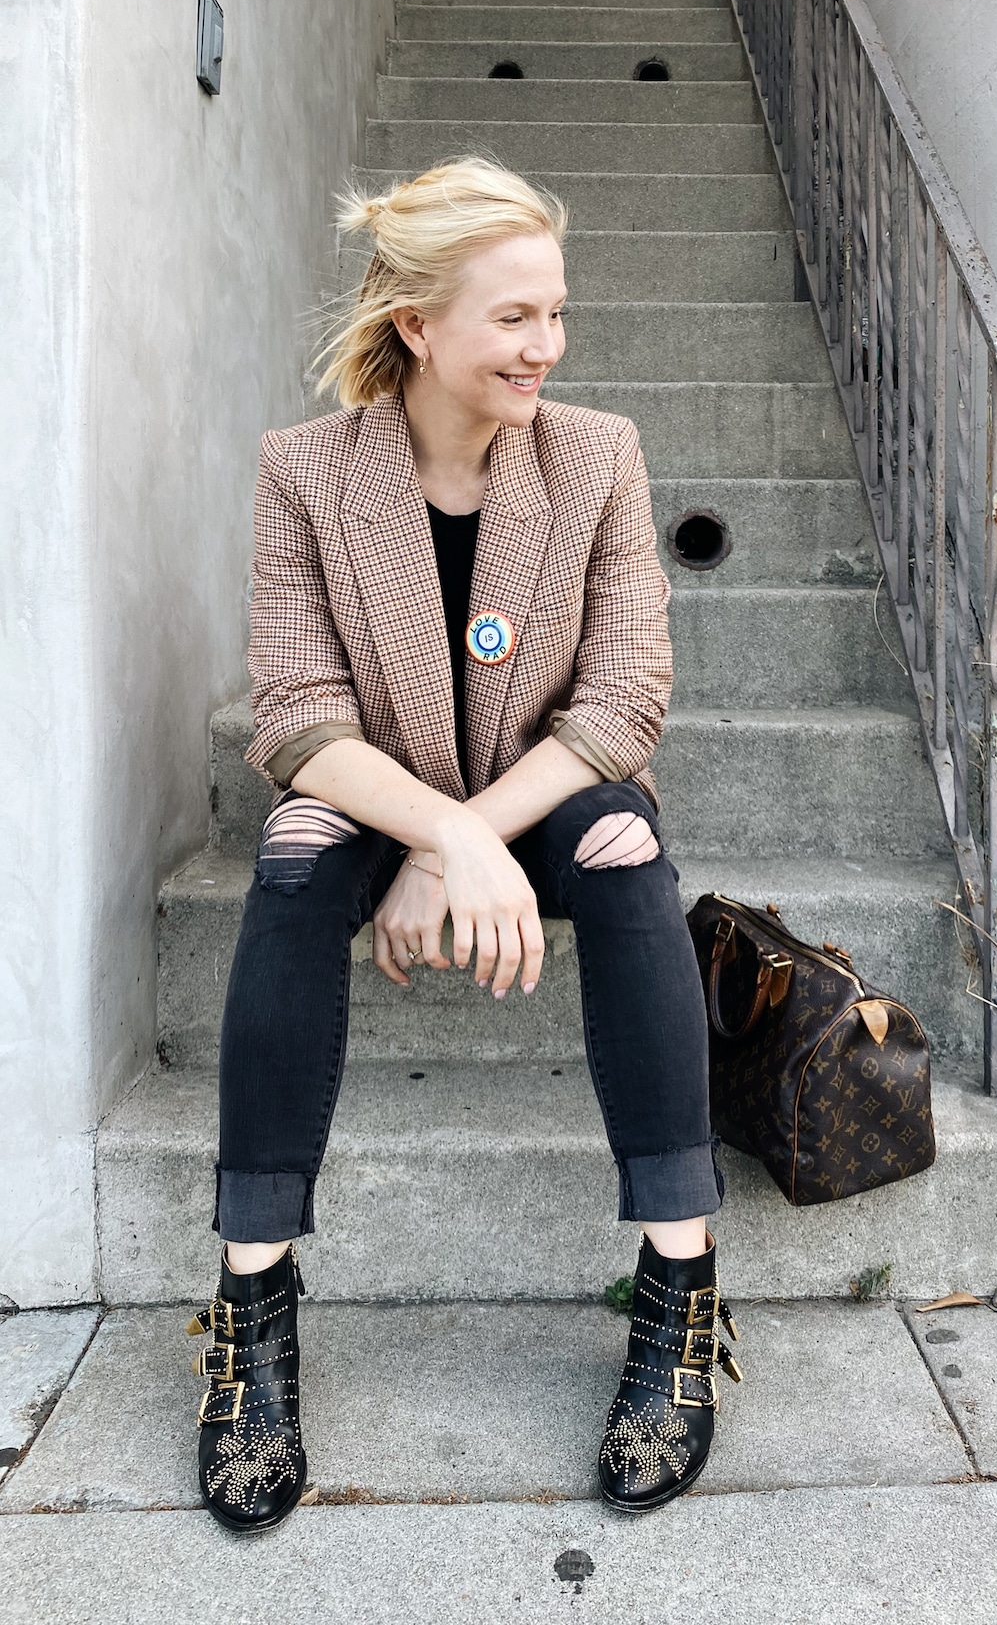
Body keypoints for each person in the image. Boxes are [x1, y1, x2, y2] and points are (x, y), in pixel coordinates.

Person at [187, 158, 741, 1533]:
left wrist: (469, 847)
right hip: (383, 792)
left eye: (555, 314)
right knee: (298, 855)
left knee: (622, 857)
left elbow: (624, 701)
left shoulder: (596, 455)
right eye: (512, 318)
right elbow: (302, 719)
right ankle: (251, 1317)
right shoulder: (307, 473)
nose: (545, 346)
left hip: (542, 792)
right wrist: (429, 832)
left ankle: (681, 1297)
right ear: (419, 323)